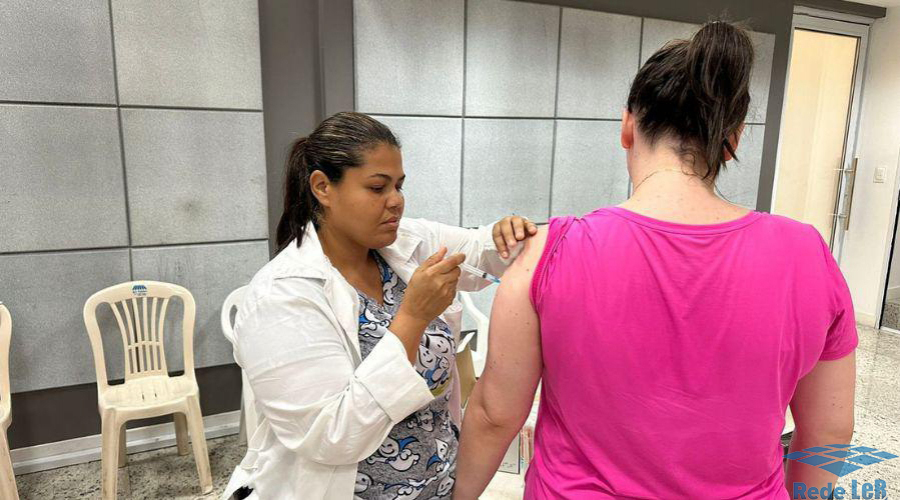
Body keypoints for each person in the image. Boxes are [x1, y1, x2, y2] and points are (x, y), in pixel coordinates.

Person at [454, 21, 857, 499]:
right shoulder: (807, 254)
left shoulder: (548, 252)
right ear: (734, 138)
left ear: (627, 126)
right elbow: (829, 433)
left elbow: (496, 414)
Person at [221, 112, 537, 499]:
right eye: (377, 188)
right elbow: (333, 435)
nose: (396, 202)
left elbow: (481, 249)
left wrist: (509, 233)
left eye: (400, 186)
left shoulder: (405, 243)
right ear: (322, 187)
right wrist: (412, 318)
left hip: (439, 481)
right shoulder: (280, 296)